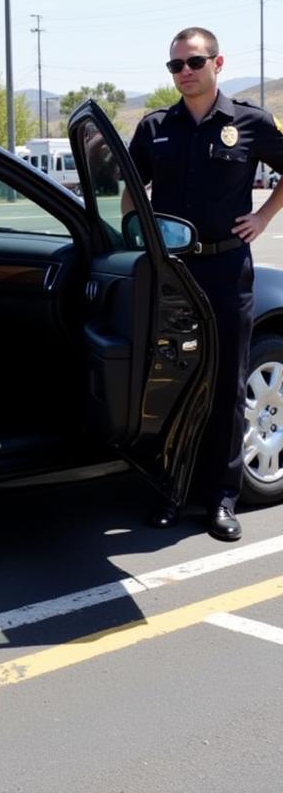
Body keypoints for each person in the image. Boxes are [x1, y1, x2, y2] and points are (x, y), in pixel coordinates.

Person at [127, 27, 283, 540]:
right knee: (171, 384)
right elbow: (132, 190)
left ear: (218, 63)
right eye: (175, 65)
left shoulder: (250, 122)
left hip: (224, 269)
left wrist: (262, 218)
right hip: (173, 273)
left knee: (226, 385)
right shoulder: (155, 128)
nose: (184, 73)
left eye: (194, 62)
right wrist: (141, 232)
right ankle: (171, 492)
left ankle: (221, 499)